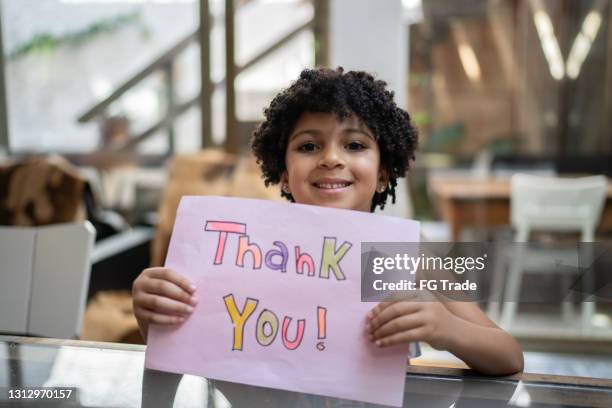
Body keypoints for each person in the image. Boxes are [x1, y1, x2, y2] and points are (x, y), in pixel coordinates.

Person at [132, 67, 524, 375]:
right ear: (282, 172)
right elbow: (187, 350)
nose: (331, 158)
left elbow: (508, 355)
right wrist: (153, 315)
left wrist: (445, 327)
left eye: (354, 145)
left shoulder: (401, 257)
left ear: (384, 172)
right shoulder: (242, 255)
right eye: (308, 146)